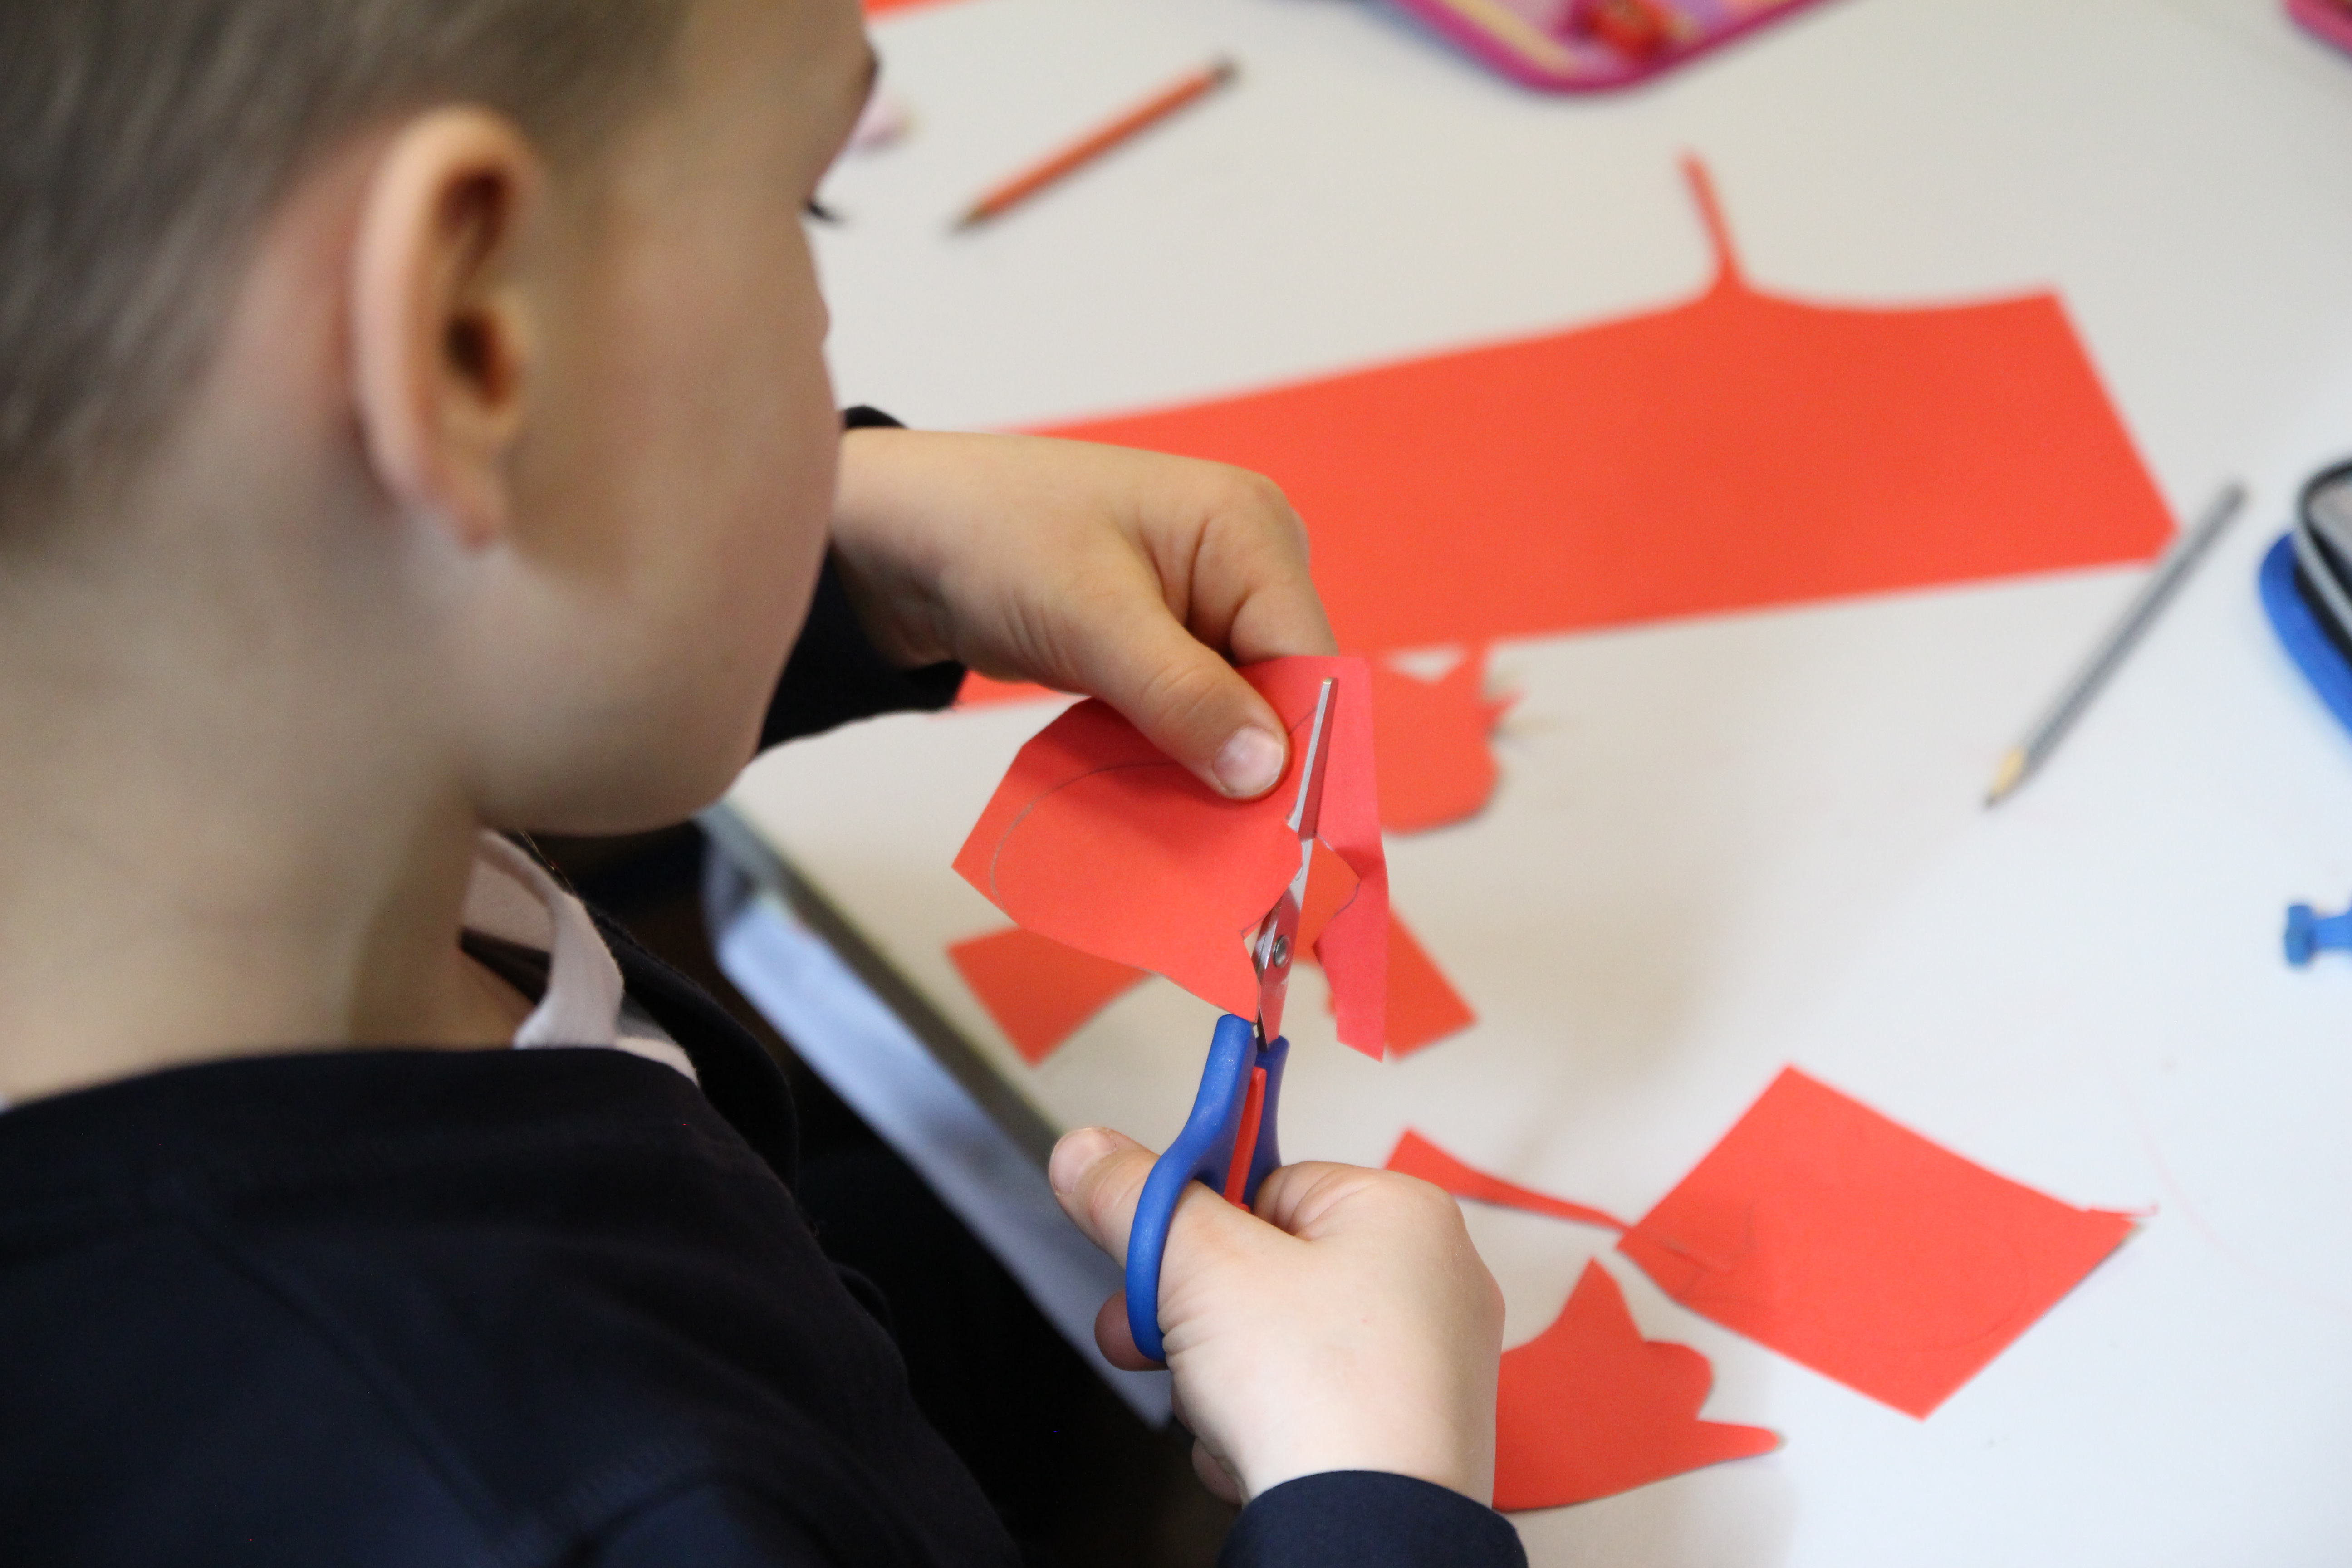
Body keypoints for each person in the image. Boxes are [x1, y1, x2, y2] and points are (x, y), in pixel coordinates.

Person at [0, 1, 1521, 1564]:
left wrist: (839, 552)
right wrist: (1376, 1499)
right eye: (807, 204)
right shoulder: (600, 1501)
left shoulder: (158, 817)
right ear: (470, 342)